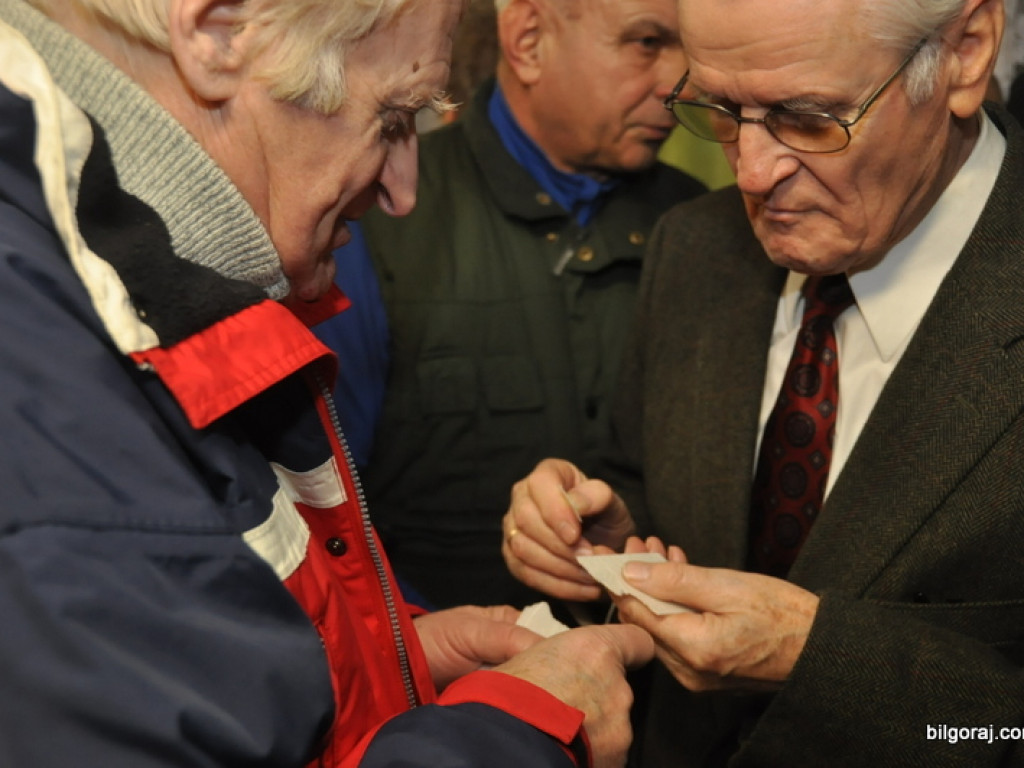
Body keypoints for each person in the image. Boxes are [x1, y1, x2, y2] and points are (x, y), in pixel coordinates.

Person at [0, 1, 656, 767]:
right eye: (393, 118)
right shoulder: (41, 368)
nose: (404, 192)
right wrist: (523, 728)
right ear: (218, 35)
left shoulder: (108, 302)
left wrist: (372, 663)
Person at [502, 0, 1024, 764]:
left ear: (966, 52)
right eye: (716, 108)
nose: (751, 172)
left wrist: (819, 661)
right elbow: (648, 482)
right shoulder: (696, 248)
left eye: (810, 118)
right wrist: (608, 546)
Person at [353, 0, 706, 611]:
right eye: (648, 42)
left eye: (689, 51)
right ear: (530, 39)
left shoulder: (707, 233)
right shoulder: (374, 216)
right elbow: (323, 511)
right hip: (443, 684)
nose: (680, 83)